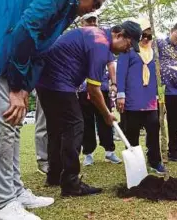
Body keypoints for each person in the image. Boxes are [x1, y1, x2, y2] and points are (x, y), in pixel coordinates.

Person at [0, 0, 111, 219]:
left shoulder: (68, 9)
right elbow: (27, 29)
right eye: (94, 3)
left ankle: (15, 190)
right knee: (4, 116)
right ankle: (4, 202)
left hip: (6, 41)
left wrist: (23, 87)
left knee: (15, 119)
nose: (92, 11)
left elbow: (41, 47)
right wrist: (15, 87)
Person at [36, 21, 142, 197]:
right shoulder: (100, 45)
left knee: (56, 128)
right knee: (75, 126)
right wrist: (107, 114)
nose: (127, 50)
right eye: (128, 45)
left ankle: (54, 175)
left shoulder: (97, 36)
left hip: (44, 82)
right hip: (58, 82)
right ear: (119, 35)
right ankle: (71, 183)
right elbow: (93, 90)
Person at [116, 18, 166, 174]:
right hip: (132, 99)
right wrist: (121, 94)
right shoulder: (129, 50)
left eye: (149, 36)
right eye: (143, 35)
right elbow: (121, 72)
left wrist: (161, 97)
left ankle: (154, 161)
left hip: (150, 100)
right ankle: (134, 164)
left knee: (153, 128)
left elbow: (159, 77)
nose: (145, 38)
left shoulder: (154, 53)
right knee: (132, 132)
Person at [78, 12, 121, 166]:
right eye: (89, 21)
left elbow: (110, 64)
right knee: (86, 122)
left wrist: (114, 83)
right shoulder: (79, 40)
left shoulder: (102, 41)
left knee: (106, 118)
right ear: (82, 22)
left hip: (101, 87)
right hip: (83, 89)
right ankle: (88, 153)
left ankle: (109, 151)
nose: (93, 23)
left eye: (95, 21)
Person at [157, 22, 177, 162]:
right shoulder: (158, 44)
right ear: (171, 31)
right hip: (159, 90)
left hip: (176, 91)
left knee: (174, 123)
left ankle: (174, 151)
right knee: (155, 122)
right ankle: (154, 153)